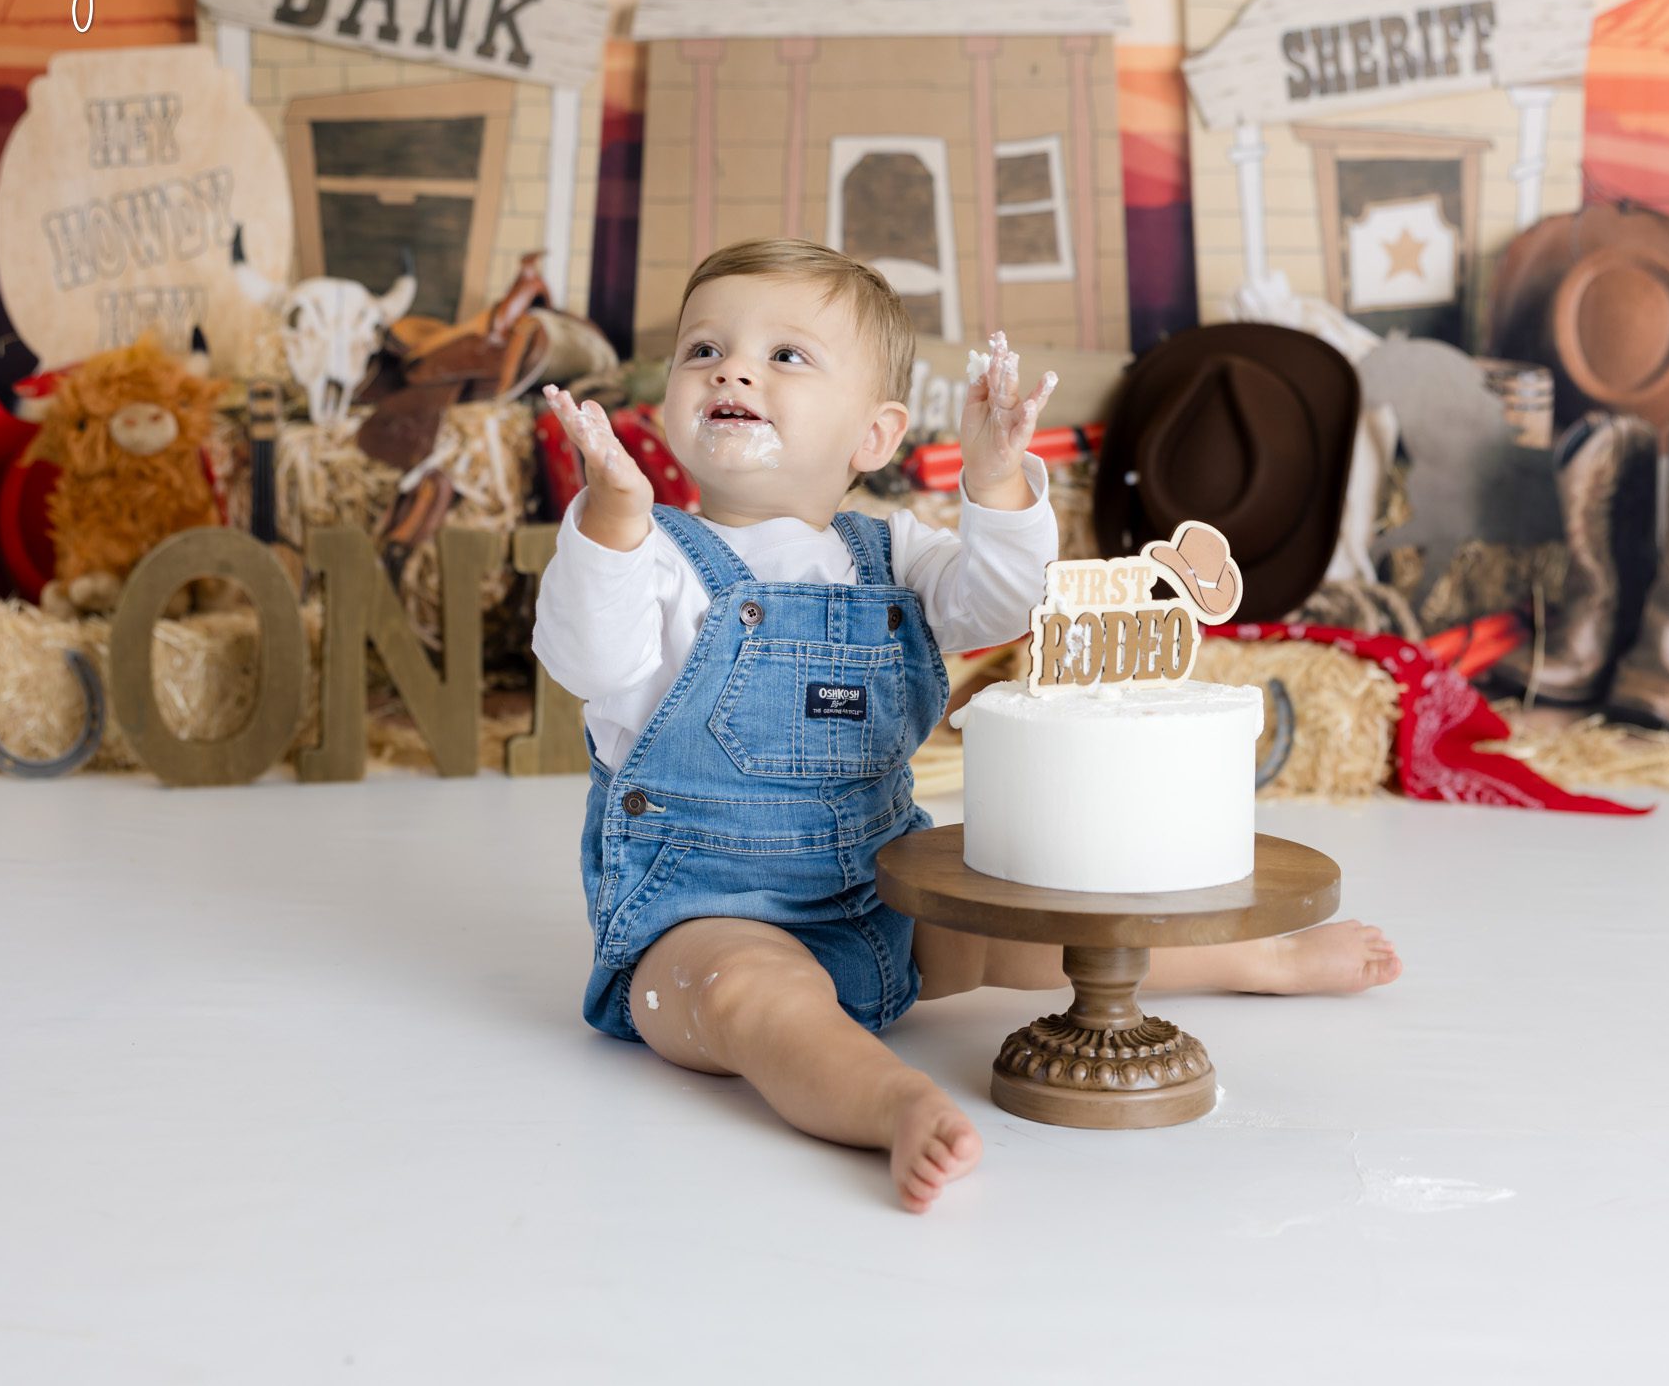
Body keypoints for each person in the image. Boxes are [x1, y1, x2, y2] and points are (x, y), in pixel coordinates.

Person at [532, 239, 1401, 1214]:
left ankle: (1248, 957)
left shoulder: (888, 552)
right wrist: (607, 518)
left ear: (874, 435)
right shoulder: (652, 559)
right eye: (703, 348)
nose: (730, 367)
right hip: (704, 916)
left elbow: (1001, 600)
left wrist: (994, 479)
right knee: (748, 1001)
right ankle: (888, 1099)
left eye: (785, 355)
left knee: (1018, 924)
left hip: (880, 892)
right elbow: (584, 654)